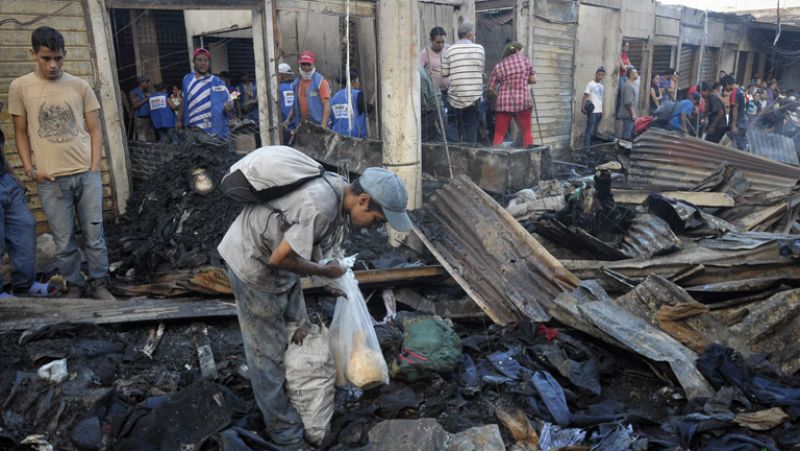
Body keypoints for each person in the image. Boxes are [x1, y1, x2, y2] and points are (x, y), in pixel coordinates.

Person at [218, 158, 412, 449]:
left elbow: (311, 244)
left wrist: (331, 281)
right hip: (254, 263)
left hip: (281, 267)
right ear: (363, 200)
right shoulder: (320, 204)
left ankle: (302, 400)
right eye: (377, 219)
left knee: (300, 335)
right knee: (266, 355)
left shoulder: (337, 192)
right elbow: (279, 258)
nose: (374, 228)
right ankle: (286, 435)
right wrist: (324, 272)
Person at [9, 26, 114, 300]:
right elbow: (20, 131)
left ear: (64, 55)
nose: (53, 65)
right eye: (46, 58)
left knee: (94, 235)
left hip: (86, 175)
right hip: (51, 179)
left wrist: (94, 167)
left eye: (58, 58)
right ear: (33, 54)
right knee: (63, 240)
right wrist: (31, 170)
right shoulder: (20, 87)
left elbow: (95, 129)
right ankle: (74, 286)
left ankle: (100, 283)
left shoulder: (80, 85)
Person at [0, 100, 56, 299]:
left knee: (25, 227)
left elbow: (1, 155)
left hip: (6, 182)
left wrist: (14, 178)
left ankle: (24, 285)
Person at [441, 22, 485, 144]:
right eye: (474, 33)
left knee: (453, 128)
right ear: (470, 35)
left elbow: (444, 74)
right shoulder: (479, 49)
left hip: (454, 98)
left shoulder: (449, 50)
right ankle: (470, 157)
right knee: (470, 130)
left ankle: (454, 156)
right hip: (473, 99)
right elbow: (480, 70)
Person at [177, 48, 233, 140]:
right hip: (192, 130)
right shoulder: (187, 79)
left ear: (209, 63)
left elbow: (229, 99)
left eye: (206, 60)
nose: (203, 63)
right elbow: (184, 100)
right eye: (199, 60)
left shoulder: (217, 81)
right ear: (194, 62)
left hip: (212, 130)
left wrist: (229, 106)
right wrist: (179, 120)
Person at [486, 42, 535, 147]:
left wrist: (489, 98)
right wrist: (522, 79)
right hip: (523, 102)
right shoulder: (526, 62)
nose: (522, 53)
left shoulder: (499, 65)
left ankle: (497, 159)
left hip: (504, 103)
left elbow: (490, 88)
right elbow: (533, 80)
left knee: (499, 134)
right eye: (522, 51)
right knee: (526, 132)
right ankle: (530, 158)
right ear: (517, 51)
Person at [420, 26, 453, 141]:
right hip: (434, 97)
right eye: (438, 42)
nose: (441, 45)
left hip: (448, 93)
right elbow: (419, 72)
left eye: (443, 42)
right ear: (431, 40)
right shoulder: (424, 54)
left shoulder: (449, 50)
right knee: (437, 124)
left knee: (448, 123)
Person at [284, 51, 332, 130]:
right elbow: (295, 105)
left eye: (308, 64)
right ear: (300, 64)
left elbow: (326, 104)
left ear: (313, 64)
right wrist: (288, 120)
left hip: (318, 125)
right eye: (304, 64)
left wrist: (323, 126)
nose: (306, 67)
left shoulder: (320, 82)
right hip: (303, 126)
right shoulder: (296, 83)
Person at [330, 68, 370, 138]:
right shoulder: (357, 95)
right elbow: (368, 109)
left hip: (336, 136)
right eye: (358, 81)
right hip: (354, 139)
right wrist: (375, 97)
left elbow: (332, 117)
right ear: (352, 82)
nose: (359, 83)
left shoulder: (335, 96)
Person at [582, 66, 606, 149]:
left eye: (602, 75)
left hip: (599, 112)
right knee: (589, 131)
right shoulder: (590, 84)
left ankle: (592, 147)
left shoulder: (602, 86)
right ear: (596, 74)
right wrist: (583, 107)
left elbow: (601, 99)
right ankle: (586, 148)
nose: (600, 76)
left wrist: (603, 110)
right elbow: (585, 95)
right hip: (592, 112)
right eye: (599, 74)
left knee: (594, 132)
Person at [723, 75, 748, 150]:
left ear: (727, 84)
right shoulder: (740, 91)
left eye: (724, 86)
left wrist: (734, 125)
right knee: (740, 144)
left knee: (737, 146)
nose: (724, 89)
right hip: (742, 122)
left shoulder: (734, 93)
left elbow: (735, 109)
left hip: (738, 124)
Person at [419, 66, 442, 142]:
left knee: (429, 145)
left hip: (433, 113)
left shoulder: (419, 77)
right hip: (431, 110)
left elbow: (422, 104)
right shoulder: (416, 70)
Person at [129, 75, 152, 142]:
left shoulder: (146, 92)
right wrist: (146, 99)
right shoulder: (134, 92)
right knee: (142, 138)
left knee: (150, 137)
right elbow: (135, 105)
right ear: (141, 83)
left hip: (148, 116)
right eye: (146, 82)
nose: (148, 84)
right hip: (139, 117)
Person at [618, 67, 638, 140]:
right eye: (635, 73)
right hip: (628, 115)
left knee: (630, 134)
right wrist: (633, 114)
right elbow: (628, 102)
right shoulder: (628, 86)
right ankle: (623, 150)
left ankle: (626, 149)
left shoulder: (630, 85)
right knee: (626, 135)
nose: (637, 74)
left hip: (629, 115)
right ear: (631, 75)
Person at [278, 63, 296, 143]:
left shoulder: (278, 89)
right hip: (297, 125)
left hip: (284, 126)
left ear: (281, 76)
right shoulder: (297, 86)